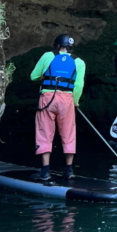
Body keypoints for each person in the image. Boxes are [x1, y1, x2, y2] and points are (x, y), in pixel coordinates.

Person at [30, 33, 86, 181]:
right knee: (68, 133)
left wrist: (45, 76)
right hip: (67, 99)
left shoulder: (48, 55)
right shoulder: (79, 62)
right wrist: (75, 101)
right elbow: (78, 85)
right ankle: (68, 170)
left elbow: (33, 76)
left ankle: (45, 172)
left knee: (44, 132)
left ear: (57, 45)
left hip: (48, 98)